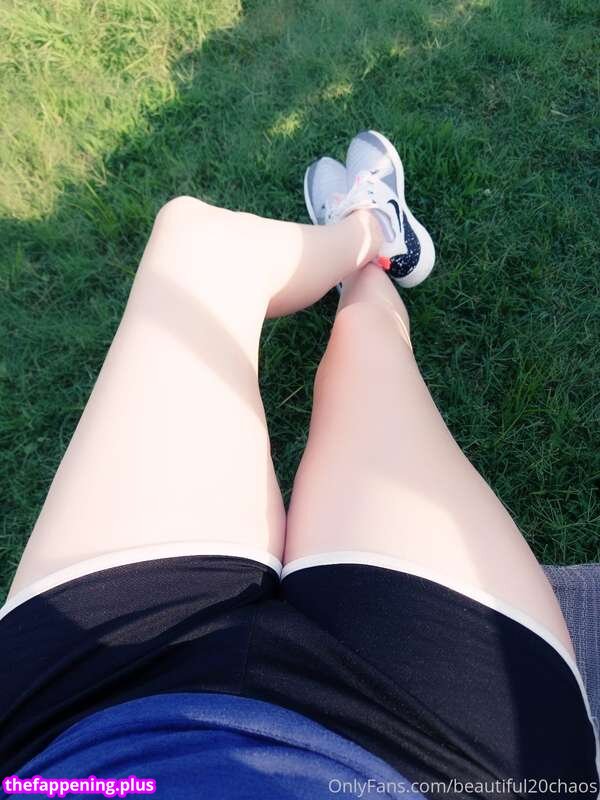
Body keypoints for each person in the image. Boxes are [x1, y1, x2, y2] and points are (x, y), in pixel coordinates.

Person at [0, 131, 597, 799]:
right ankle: (369, 256)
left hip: (72, 734)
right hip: (437, 759)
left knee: (195, 242)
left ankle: (367, 231)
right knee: (370, 354)